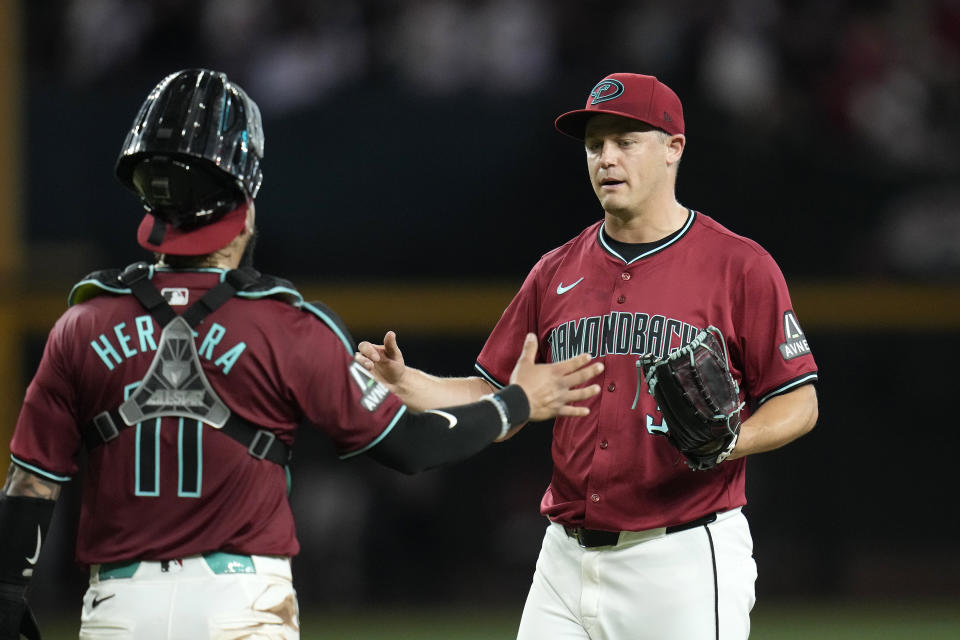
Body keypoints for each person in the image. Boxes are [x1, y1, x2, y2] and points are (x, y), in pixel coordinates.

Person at [0, 68, 605, 640]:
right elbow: (412, 446)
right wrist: (515, 404)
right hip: (241, 606)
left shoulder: (81, 324)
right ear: (245, 200)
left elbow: (31, 485)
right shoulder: (285, 325)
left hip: (119, 609)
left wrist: (7, 597)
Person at [355, 72, 820, 639]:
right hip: (563, 558)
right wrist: (410, 384)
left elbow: (799, 401)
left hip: (681, 557)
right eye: (595, 144)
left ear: (674, 148)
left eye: (626, 141)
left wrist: (730, 441)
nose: (606, 158)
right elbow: (498, 398)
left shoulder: (739, 266)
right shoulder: (555, 272)